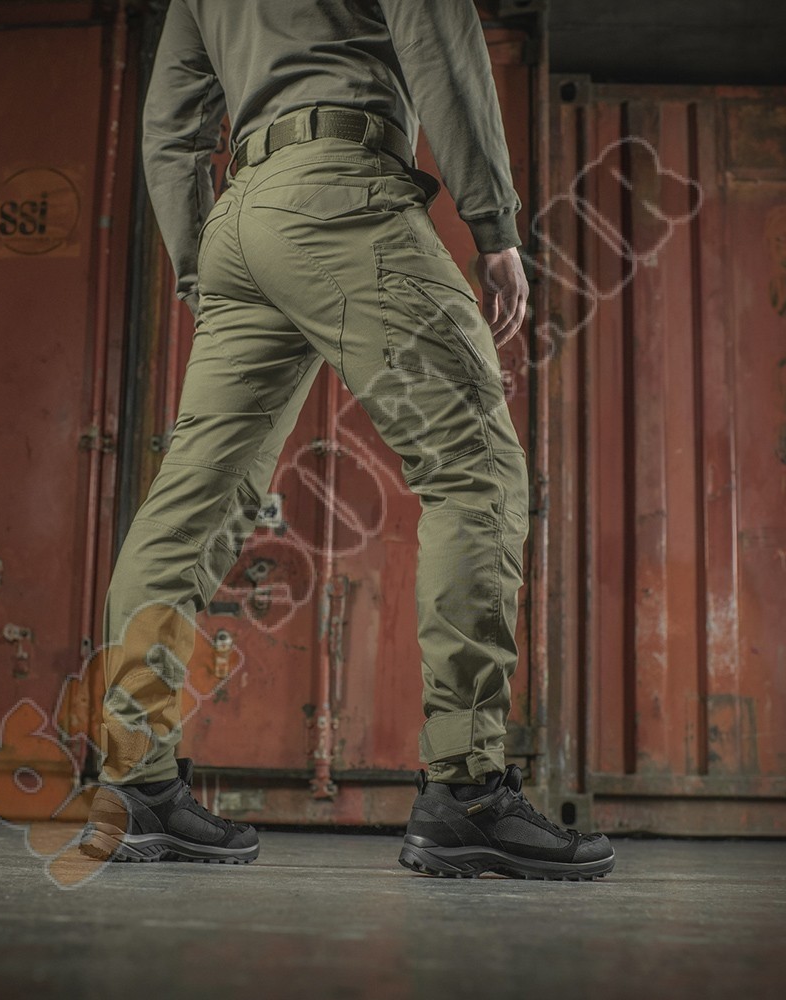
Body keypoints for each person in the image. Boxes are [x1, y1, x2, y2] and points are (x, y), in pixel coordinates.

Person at [79, 0, 615, 881]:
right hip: (342, 193)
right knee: (475, 467)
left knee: (189, 509)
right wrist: (494, 226)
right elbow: (441, 45)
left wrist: (199, 264)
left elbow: (171, 120)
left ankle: (134, 784)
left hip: (239, 224)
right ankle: (468, 791)